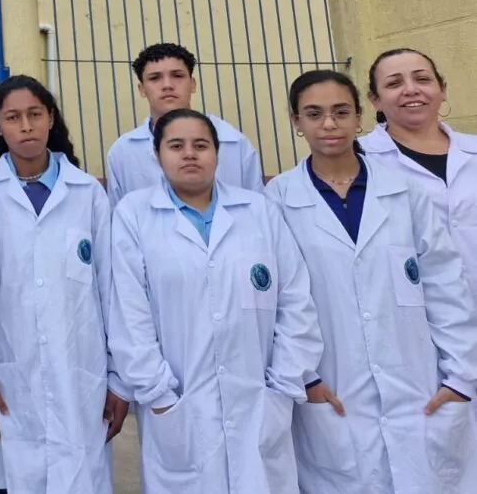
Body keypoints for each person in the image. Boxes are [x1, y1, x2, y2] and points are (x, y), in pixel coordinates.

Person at [267, 70, 477, 494]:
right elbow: (281, 303)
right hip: (332, 386)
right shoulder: (278, 202)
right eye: (315, 113)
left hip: (419, 384)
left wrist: (459, 377)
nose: (329, 124)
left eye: (341, 112)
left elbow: (445, 286)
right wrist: (304, 377)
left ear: (360, 116)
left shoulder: (403, 192)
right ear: (296, 122)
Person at [109, 109, 321, 494]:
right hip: (177, 406)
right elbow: (129, 311)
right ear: (157, 155)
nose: (189, 154)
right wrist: (159, 396)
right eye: (176, 145)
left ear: (217, 154)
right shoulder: (134, 215)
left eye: (200, 145)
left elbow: (295, 303)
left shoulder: (259, 211)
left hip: (260, 401)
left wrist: (283, 386)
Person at [0, 76, 128, 494]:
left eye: (35, 115)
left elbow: (111, 289)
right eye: (13, 118)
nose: (26, 126)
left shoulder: (87, 193)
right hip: (5, 377)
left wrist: (118, 379)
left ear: (50, 119)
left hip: (81, 375)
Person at [363, 48, 477, 299]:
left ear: (442, 89)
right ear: (375, 100)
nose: (411, 89)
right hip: (414, 313)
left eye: (422, 79)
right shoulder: (360, 160)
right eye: (394, 83)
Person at [106, 42, 263, 207]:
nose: (167, 85)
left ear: (193, 84)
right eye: (155, 78)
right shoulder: (122, 151)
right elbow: (117, 216)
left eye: (177, 76)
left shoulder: (235, 143)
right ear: (142, 89)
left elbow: (257, 210)